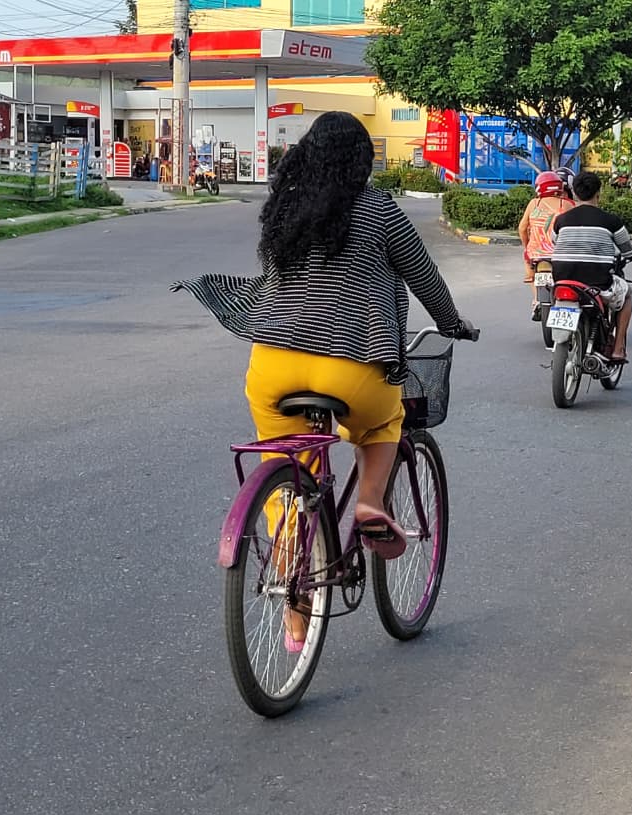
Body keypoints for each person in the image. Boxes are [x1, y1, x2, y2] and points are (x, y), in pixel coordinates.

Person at [173, 111, 472, 648]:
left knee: (288, 474)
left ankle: (293, 609)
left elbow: (273, 278)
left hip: (274, 364)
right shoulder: (380, 210)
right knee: (385, 425)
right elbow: (423, 275)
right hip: (353, 363)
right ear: (363, 161)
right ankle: (371, 503)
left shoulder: (286, 209)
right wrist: (452, 323)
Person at [550, 170, 632, 363]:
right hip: (597, 286)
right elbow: (628, 252)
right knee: (627, 293)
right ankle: (618, 349)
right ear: (599, 193)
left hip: (563, 282)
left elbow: (555, 242)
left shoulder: (561, 220)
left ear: (573, 193)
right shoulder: (611, 221)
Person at [518, 170, 575, 291]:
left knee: (531, 273)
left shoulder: (534, 203)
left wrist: (527, 247)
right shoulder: (567, 205)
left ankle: (535, 300)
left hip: (536, 254)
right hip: (559, 253)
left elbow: (522, 228)